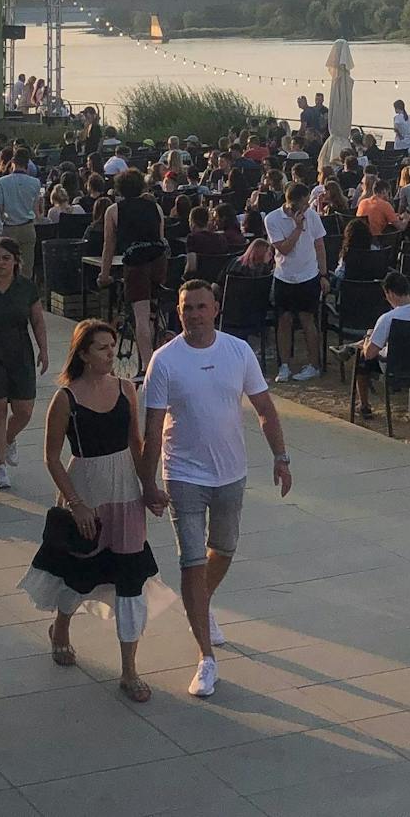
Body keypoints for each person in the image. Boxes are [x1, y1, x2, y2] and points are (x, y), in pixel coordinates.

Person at [141, 281, 292, 698]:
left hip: (230, 474)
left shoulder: (237, 351)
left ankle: (199, 606)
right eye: (188, 308)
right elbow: (152, 428)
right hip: (184, 475)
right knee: (191, 560)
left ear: (216, 309)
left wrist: (281, 457)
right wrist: (147, 482)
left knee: (222, 550)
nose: (195, 315)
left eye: (202, 307)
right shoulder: (164, 361)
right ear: (178, 311)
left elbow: (264, 409)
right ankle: (206, 658)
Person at [20, 320, 162, 703]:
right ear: (83, 353)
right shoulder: (65, 397)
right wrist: (76, 503)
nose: (110, 353)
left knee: (130, 578)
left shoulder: (126, 389)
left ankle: (129, 669)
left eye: (112, 346)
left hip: (126, 493)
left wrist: (148, 487)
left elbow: (136, 443)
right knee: (79, 573)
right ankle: (61, 628)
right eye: (101, 347)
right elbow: (51, 457)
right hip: (86, 492)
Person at [0, 237, 47, 488]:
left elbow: (37, 321)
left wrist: (44, 350)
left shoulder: (26, 287)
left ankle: (8, 438)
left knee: (24, 411)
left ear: (16, 261)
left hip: (20, 350)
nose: (0, 263)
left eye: (6, 258)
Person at [101, 169, 167, 373]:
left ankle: (149, 366)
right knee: (154, 314)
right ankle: (161, 349)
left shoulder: (113, 211)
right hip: (158, 261)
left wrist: (104, 274)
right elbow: (161, 237)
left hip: (136, 264)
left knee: (141, 316)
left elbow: (109, 246)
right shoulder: (155, 207)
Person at [351, 272, 410, 419]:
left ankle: (364, 405)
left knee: (361, 357)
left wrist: (368, 337)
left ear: (390, 293)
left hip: (396, 368)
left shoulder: (388, 318)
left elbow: (369, 354)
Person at [266, 182, 328, 382]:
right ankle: (284, 365)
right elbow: (283, 249)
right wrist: (298, 228)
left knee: (307, 320)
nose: (307, 207)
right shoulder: (273, 219)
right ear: (292, 204)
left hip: (308, 275)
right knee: (284, 321)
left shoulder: (313, 216)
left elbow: (320, 245)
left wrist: (324, 274)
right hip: (284, 275)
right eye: (303, 204)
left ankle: (314, 365)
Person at [0, 148, 43, 261]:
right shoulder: (35, 182)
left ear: (13, 162)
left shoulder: (2, 182)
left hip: (8, 228)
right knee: (27, 267)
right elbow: (36, 209)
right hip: (27, 227)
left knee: (7, 264)